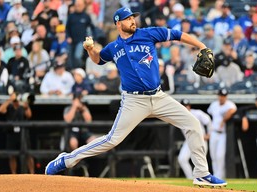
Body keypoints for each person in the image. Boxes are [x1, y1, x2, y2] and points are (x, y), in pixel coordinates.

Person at [45, 7, 227, 187]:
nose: (132, 21)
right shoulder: (113, 47)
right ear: (118, 23)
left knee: (193, 124)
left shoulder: (148, 34)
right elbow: (99, 59)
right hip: (134, 101)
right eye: (128, 18)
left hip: (158, 97)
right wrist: (90, 50)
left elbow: (178, 34)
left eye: (133, 18)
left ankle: (202, 174)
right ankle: (66, 160)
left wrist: (201, 46)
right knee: (111, 140)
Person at [0, 92, 34, 174]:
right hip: (11, 133)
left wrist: (26, 106)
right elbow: (1, 110)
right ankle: (13, 174)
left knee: (28, 154)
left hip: (23, 133)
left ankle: (32, 173)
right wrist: (10, 99)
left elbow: (29, 115)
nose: (16, 100)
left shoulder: (22, 106)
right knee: (12, 155)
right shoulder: (9, 106)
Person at [207, 88, 237, 179]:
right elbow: (209, 115)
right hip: (213, 133)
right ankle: (216, 175)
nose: (222, 98)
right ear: (218, 96)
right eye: (221, 96)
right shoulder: (214, 105)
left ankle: (220, 176)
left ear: (226, 96)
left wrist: (224, 119)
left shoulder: (229, 104)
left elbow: (233, 110)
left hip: (222, 133)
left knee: (220, 156)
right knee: (213, 156)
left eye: (224, 96)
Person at [178, 99, 212, 179]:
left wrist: (209, 134)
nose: (185, 108)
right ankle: (190, 178)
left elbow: (208, 121)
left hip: (200, 140)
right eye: (183, 106)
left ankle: (204, 178)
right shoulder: (178, 116)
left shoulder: (197, 113)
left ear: (189, 106)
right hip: (188, 141)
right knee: (182, 159)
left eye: (186, 106)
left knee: (201, 161)